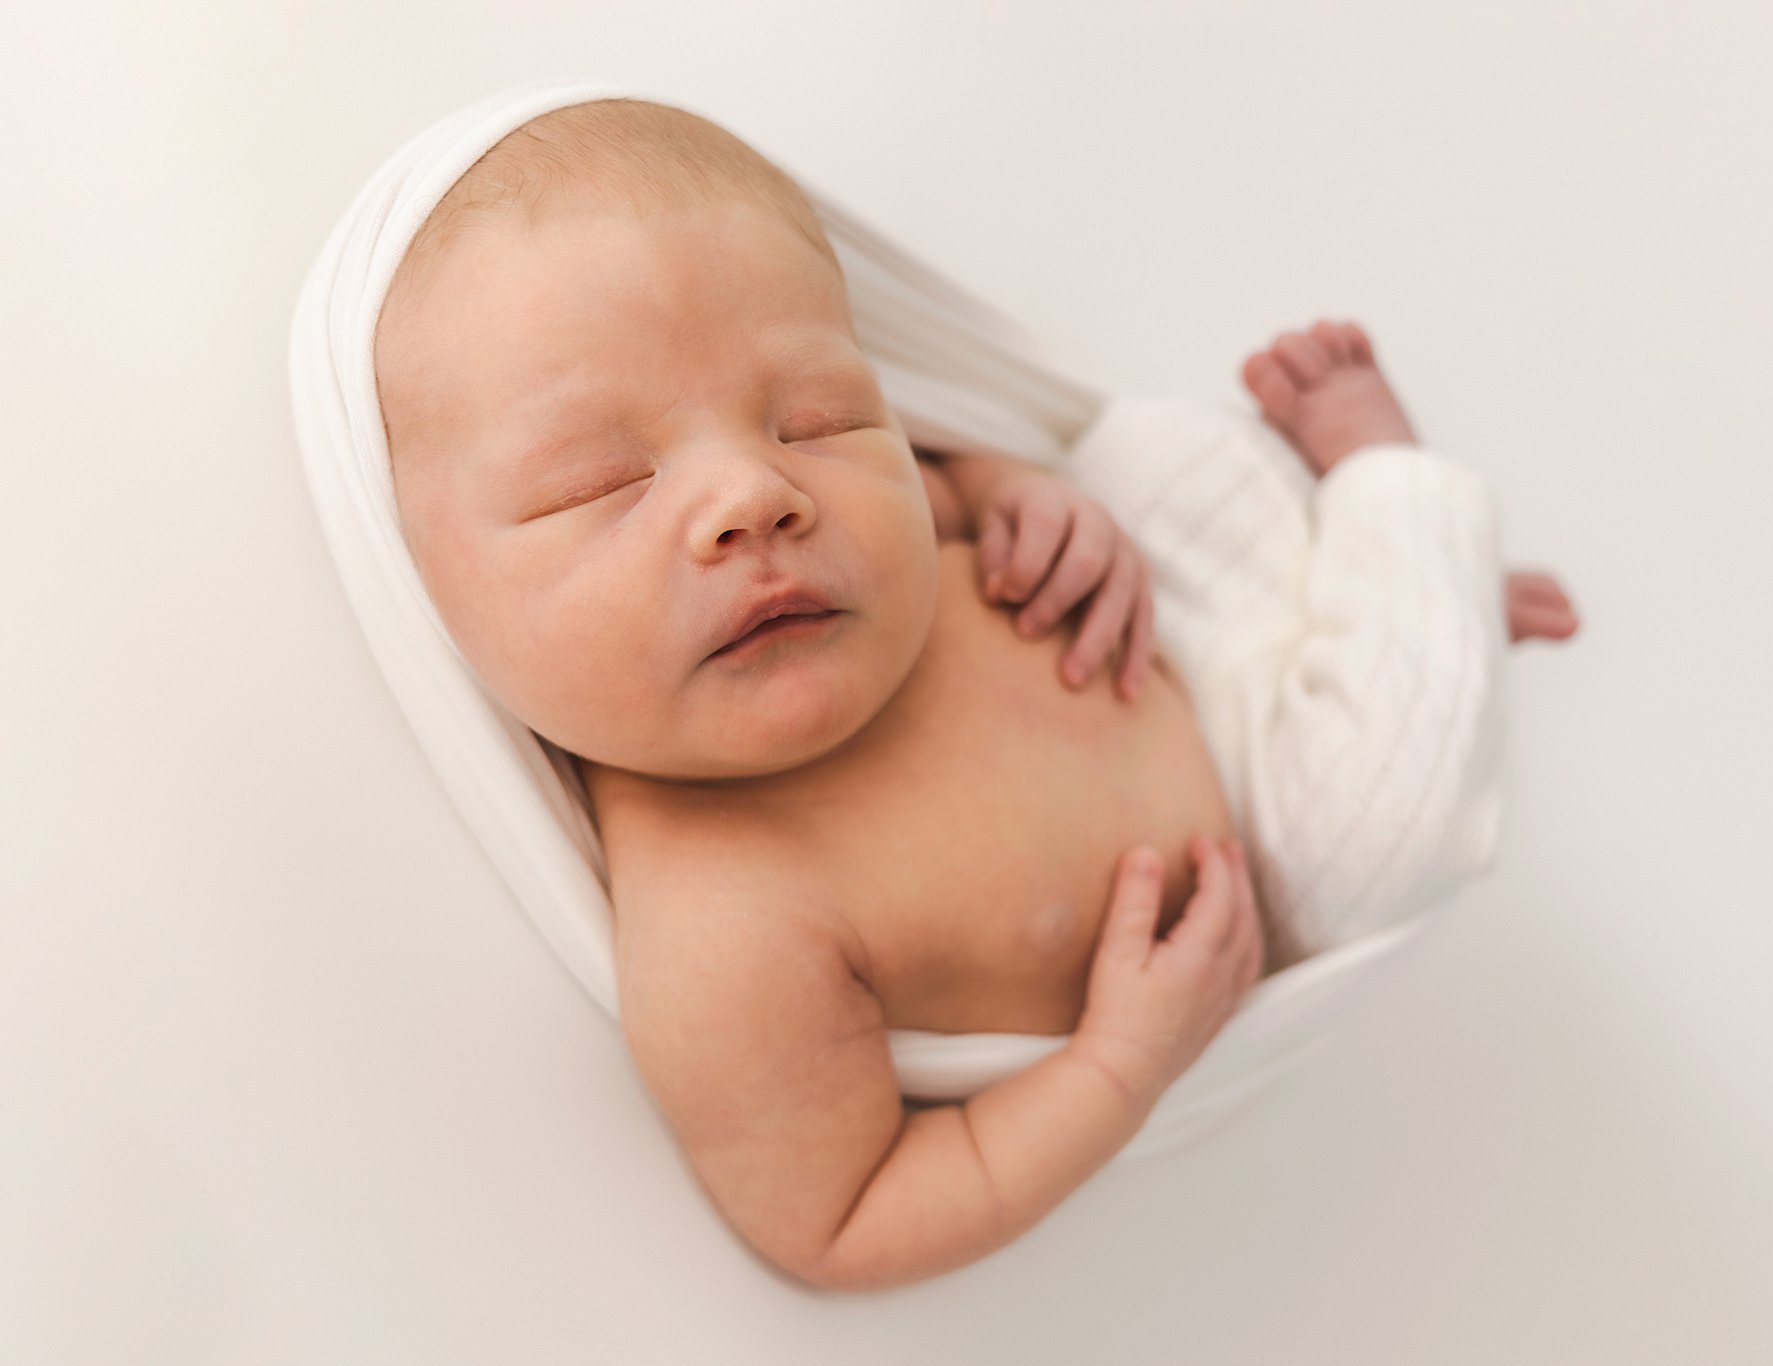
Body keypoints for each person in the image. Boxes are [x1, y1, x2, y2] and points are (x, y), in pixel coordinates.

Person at [372, 96, 1579, 1292]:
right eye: (598, 485)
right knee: (1392, 831)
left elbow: (947, 478)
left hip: (1176, 631)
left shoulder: (863, 547)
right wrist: (1116, 1063)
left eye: (817, 418)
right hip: (1270, 850)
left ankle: (1403, 602)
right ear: (423, 585)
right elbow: (838, 1218)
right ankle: (1397, 527)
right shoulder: (722, 923)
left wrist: (1025, 499)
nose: (753, 490)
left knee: (1138, 454)